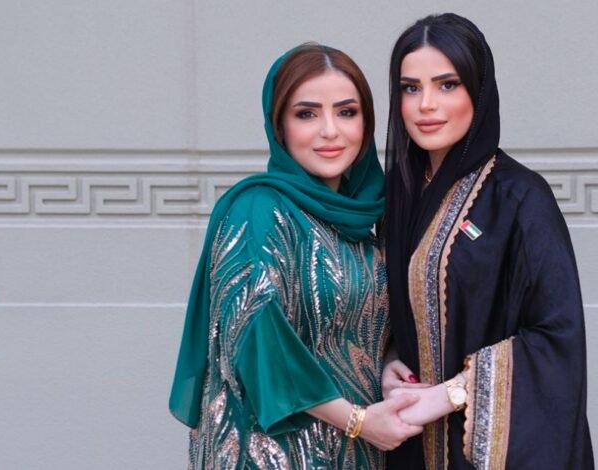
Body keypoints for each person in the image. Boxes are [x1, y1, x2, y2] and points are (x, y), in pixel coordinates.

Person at [169, 43, 422, 469]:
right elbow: (255, 333)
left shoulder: (364, 227)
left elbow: (356, 330)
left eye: (347, 112)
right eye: (307, 114)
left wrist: (389, 362)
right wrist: (358, 421)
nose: (330, 131)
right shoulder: (259, 210)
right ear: (279, 126)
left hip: (356, 451)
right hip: (274, 455)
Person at [381, 14, 595, 469]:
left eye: (447, 85)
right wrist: (390, 360)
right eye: (411, 88)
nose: (426, 105)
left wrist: (451, 394)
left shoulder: (520, 198)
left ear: (478, 91)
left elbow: (557, 338)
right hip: (408, 445)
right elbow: (393, 305)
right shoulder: (396, 194)